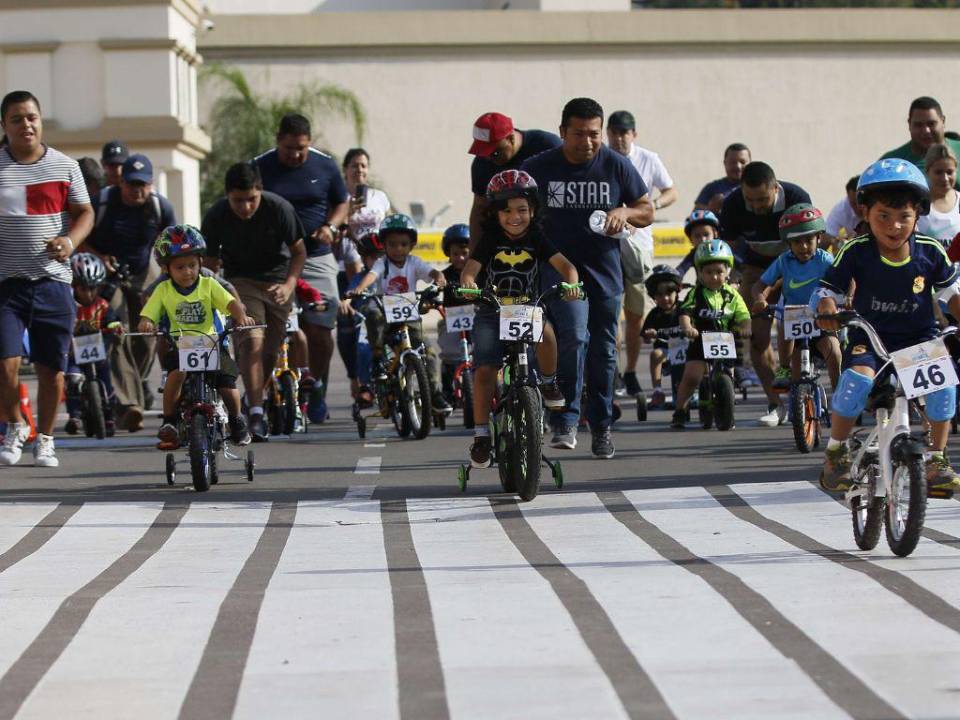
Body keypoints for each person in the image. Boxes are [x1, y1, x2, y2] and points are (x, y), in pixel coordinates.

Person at [815, 159, 960, 495]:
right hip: (870, 337)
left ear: (917, 217)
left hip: (917, 339)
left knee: (943, 387)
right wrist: (826, 306)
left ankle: (937, 460)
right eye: (884, 216)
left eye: (904, 217)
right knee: (855, 383)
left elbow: (951, 292)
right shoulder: (856, 251)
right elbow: (828, 289)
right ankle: (836, 452)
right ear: (865, 213)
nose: (894, 226)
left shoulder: (929, 252)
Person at [521, 97, 653, 458]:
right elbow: (511, 207)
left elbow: (647, 209)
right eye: (579, 134)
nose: (588, 142)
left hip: (605, 274)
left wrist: (623, 211)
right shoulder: (539, 167)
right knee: (575, 337)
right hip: (560, 271)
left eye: (594, 134)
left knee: (604, 353)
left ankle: (602, 426)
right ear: (562, 132)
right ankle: (565, 418)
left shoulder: (616, 165)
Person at [459, 170, 580, 468]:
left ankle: (549, 384)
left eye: (522, 210)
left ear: (534, 210)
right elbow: (470, 269)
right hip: (492, 310)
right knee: (486, 369)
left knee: (548, 336)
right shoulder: (491, 239)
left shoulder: (537, 238)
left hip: (527, 308)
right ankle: (481, 435)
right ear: (495, 213)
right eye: (507, 210)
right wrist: (470, 283)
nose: (515, 217)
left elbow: (567, 267)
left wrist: (572, 284)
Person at [0, 90, 93, 467]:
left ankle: (47, 438)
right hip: (6, 283)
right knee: (4, 362)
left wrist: (70, 241)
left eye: (32, 117)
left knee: (51, 369)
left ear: (41, 121)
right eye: (17, 119)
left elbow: (85, 212)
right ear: (4, 125)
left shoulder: (65, 166)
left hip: (53, 282)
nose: (26, 125)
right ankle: (17, 424)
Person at [202, 162, 307, 442]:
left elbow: (299, 252)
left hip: (277, 282)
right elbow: (210, 266)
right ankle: (257, 415)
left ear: (261, 191)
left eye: (252, 199)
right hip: (241, 284)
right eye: (238, 200)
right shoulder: (216, 216)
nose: (246, 207)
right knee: (252, 341)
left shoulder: (279, 209)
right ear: (227, 195)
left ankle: (254, 396)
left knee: (271, 351)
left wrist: (289, 285)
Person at [255, 113, 349, 423]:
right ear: (277, 140)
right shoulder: (260, 166)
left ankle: (316, 386)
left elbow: (342, 202)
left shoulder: (325, 165)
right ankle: (267, 392)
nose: (296, 155)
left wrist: (331, 228)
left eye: (302, 148)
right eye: (289, 148)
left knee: (320, 329)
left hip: (316, 256)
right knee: (275, 329)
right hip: (274, 260)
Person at [81, 153, 176, 431]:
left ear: (151, 184)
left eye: (143, 185)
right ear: (120, 182)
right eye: (132, 184)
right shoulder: (102, 203)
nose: (137, 191)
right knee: (116, 330)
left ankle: (133, 384)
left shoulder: (161, 207)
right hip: (106, 272)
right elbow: (79, 237)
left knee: (147, 334)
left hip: (144, 271)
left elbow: (174, 244)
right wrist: (99, 257)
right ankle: (129, 403)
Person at [138, 225, 254, 450]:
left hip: (211, 343)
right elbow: (149, 312)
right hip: (180, 345)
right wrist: (147, 322)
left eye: (192, 265)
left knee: (226, 383)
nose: (187, 272)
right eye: (180, 267)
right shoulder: (163, 290)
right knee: (176, 373)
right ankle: (170, 420)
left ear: (200, 263)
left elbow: (230, 303)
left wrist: (241, 316)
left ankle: (236, 418)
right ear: (166, 269)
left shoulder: (209, 285)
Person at [720, 161, 811, 426]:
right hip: (756, 269)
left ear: (776, 188)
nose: (757, 206)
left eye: (762, 199)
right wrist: (736, 273)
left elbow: (810, 242)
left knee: (796, 335)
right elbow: (729, 245)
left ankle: (803, 396)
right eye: (751, 199)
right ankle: (776, 403)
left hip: (795, 269)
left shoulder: (796, 198)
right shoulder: (734, 203)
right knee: (758, 341)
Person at [605, 109, 679, 397]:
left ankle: (632, 370)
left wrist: (651, 208)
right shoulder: (601, 158)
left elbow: (671, 190)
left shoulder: (648, 159)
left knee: (635, 314)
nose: (619, 137)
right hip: (608, 245)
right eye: (614, 132)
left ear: (633, 134)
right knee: (611, 313)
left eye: (624, 132)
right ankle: (614, 371)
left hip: (639, 245)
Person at [348, 213, 451, 413]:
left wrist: (439, 279)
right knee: (372, 314)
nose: (398, 249)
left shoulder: (415, 263)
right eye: (392, 244)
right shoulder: (382, 264)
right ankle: (378, 358)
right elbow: (371, 276)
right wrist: (360, 288)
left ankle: (435, 394)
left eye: (403, 244)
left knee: (429, 354)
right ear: (384, 246)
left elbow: (432, 273)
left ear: (411, 245)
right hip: (385, 313)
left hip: (409, 314)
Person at [751, 204, 841, 390]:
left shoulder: (826, 260)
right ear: (788, 244)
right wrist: (760, 299)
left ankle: (840, 399)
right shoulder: (784, 261)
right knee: (785, 321)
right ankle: (783, 367)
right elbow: (759, 285)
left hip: (821, 318)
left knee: (835, 354)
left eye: (809, 240)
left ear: (819, 237)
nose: (804, 247)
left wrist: (848, 297)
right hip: (795, 320)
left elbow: (847, 279)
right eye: (797, 242)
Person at [671, 240, 751, 430]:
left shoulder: (732, 295)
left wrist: (746, 327)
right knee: (692, 376)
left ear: (728, 272)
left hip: (725, 339)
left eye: (719, 272)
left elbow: (744, 314)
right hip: (700, 339)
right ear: (699, 273)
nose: (714, 277)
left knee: (729, 374)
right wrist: (687, 327)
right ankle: (680, 409)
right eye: (708, 272)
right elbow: (685, 312)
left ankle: (727, 403)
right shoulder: (696, 294)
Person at [467, 112, 561, 248]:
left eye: (495, 152)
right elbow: (479, 210)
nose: (489, 159)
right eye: (484, 153)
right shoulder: (482, 164)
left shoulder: (547, 146)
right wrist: (473, 255)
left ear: (511, 138)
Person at [64, 253, 122, 437]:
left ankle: (109, 416)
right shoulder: (68, 305)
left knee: (106, 381)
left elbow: (112, 319)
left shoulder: (102, 305)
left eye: (92, 288)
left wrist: (113, 326)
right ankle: (74, 417)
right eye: (83, 288)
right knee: (72, 379)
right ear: (74, 286)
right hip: (74, 352)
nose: (88, 293)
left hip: (98, 351)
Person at [880, 97, 960, 185]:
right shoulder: (891, 164)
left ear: (943, 121)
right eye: (918, 125)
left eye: (931, 124)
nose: (926, 131)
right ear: (909, 124)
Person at [436, 223, 472, 401]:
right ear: (448, 254)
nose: (460, 258)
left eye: (465, 253)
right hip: (452, 318)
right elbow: (435, 287)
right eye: (455, 254)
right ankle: (447, 391)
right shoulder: (445, 275)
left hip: (477, 317)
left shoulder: (478, 274)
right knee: (449, 354)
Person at [640, 264, 683, 408]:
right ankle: (658, 391)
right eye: (659, 295)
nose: (665, 298)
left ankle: (702, 388)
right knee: (655, 353)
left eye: (669, 293)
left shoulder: (684, 310)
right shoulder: (654, 314)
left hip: (686, 350)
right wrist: (649, 335)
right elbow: (645, 336)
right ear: (654, 297)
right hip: (665, 351)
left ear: (677, 292)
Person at [917, 144, 960, 247]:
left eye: (949, 172)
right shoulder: (918, 205)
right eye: (938, 172)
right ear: (928, 172)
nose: (945, 178)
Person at [694, 143, 751, 215]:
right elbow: (694, 216)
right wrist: (710, 209)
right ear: (725, 163)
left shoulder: (758, 187)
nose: (738, 166)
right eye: (733, 162)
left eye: (742, 162)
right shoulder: (712, 188)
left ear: (750, 163)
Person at [676, 210, 721, 282]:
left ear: (715, 234)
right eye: (697, 236)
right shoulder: (694, 254)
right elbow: (681, 269)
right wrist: (673, 278)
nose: (703, 239)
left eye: (706, 234)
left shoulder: (723, 250)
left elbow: (734, 268)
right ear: (691, 239)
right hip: (701, 291)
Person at [824, 175, 862, 251]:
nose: (857, 208)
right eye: (853, 203)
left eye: (860, 203)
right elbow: (827, 235)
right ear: (848, 197)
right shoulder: (841, 209)